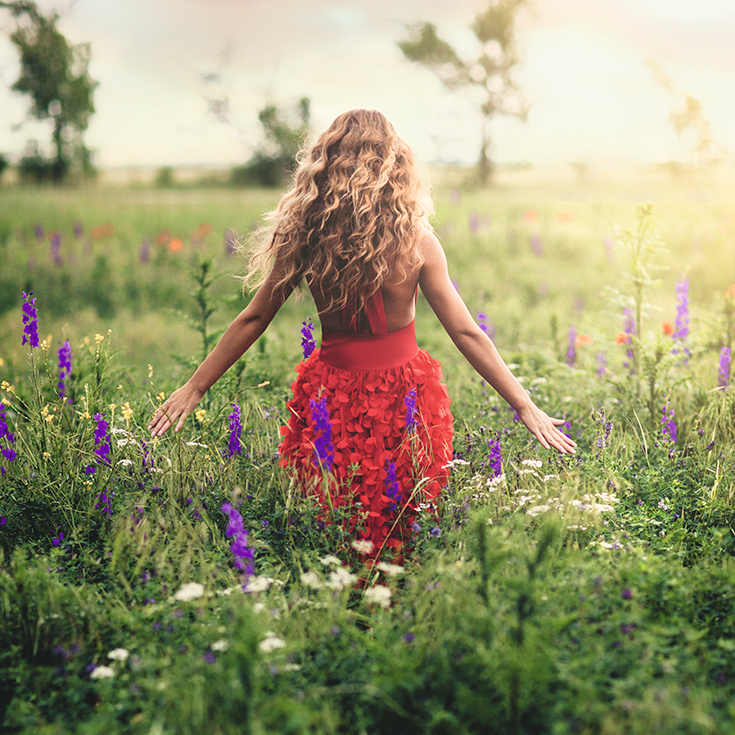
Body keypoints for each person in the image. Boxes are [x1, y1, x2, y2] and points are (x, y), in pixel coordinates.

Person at [148, 109, 576, 559]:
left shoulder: (306, 236)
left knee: (335, 523)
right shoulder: (418, 242)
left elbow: (254, 318)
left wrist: (196, 387)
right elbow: (467, 333)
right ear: (397, 166)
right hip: (405, 395)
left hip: (330, 394)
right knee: (402, 527)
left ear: (325, 163)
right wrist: (524, 405)